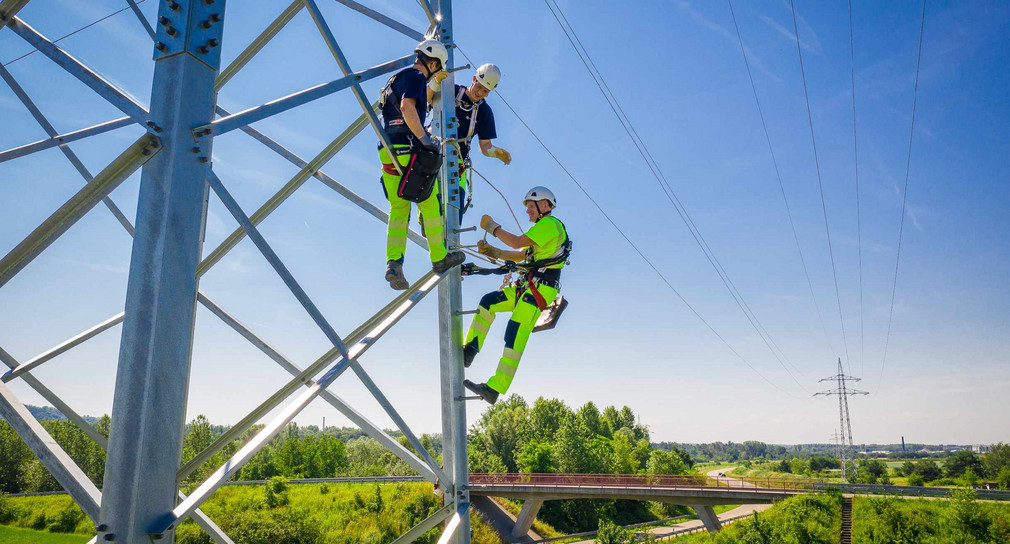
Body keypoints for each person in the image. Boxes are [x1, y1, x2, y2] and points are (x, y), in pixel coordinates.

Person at [462, 186, 570, 404]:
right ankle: (470, 349)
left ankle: (495, 387)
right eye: (528, 206)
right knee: (489, 302)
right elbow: (521, 254)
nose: (528, 210)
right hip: (528, 286)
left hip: (540, 289)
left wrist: (493, 227)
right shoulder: (541, 229)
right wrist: (494, 252)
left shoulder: (551, 225)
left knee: (515, 330)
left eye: (532, 206)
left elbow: (516, 242)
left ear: (546, 206)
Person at [378, 39, 464, 290]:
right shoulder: (416, 77)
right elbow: (407, 107)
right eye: (437, 69)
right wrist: (425, 139)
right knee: (429, 202)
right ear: (434, 63)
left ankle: (394, 263)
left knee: (399, 208)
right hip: (409, 150)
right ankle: (439, 257)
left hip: (388, 152)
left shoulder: (395, 79)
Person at [427, 63, 512, 222]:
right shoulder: (450, 91)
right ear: (474, 79)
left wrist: (496, 152)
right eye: (478, 87)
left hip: (457, 164)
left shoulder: (484, 112)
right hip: (433, 153)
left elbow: (485, 146)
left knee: (455, 213)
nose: (480, 92)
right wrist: (435, 83)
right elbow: (425, 98)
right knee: (431, 205)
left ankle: (450, 242)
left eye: (485, 91)